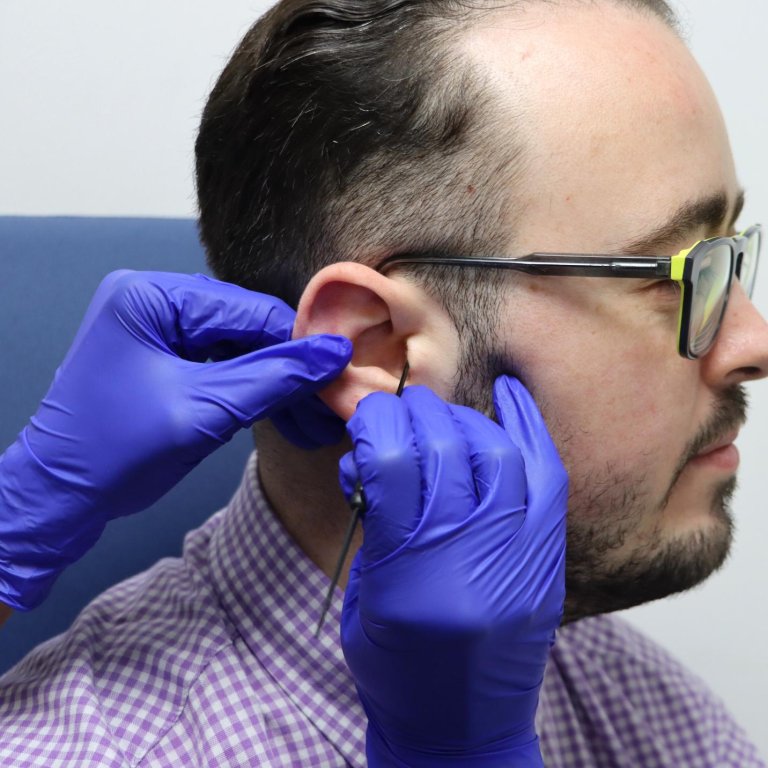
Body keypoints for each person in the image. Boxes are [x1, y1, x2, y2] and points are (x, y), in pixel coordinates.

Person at [1, 0, 767, 765]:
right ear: (381, 345)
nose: (751, 342)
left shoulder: (643, 709)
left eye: (731, 253)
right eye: (677, 274)